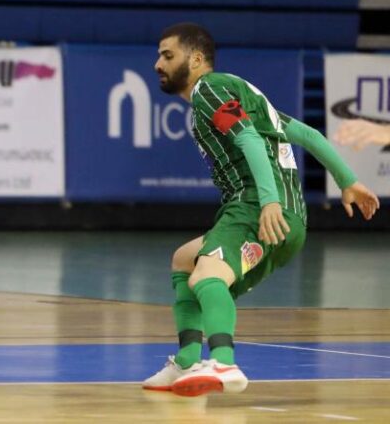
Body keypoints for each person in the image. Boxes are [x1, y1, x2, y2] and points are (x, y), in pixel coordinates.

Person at [143, 23, 379, 397]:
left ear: (197, 59)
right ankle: (187, 361)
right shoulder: (237, 93)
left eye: (168, 55)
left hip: (258, 206)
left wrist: (269, 201)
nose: (158, 63)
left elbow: (248, 139)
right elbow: (308, 135)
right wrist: (347, 180)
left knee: (206, 276)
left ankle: (223, 362)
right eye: (159, 55)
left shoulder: (209, 89)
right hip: (290, 219)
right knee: (184, 260)